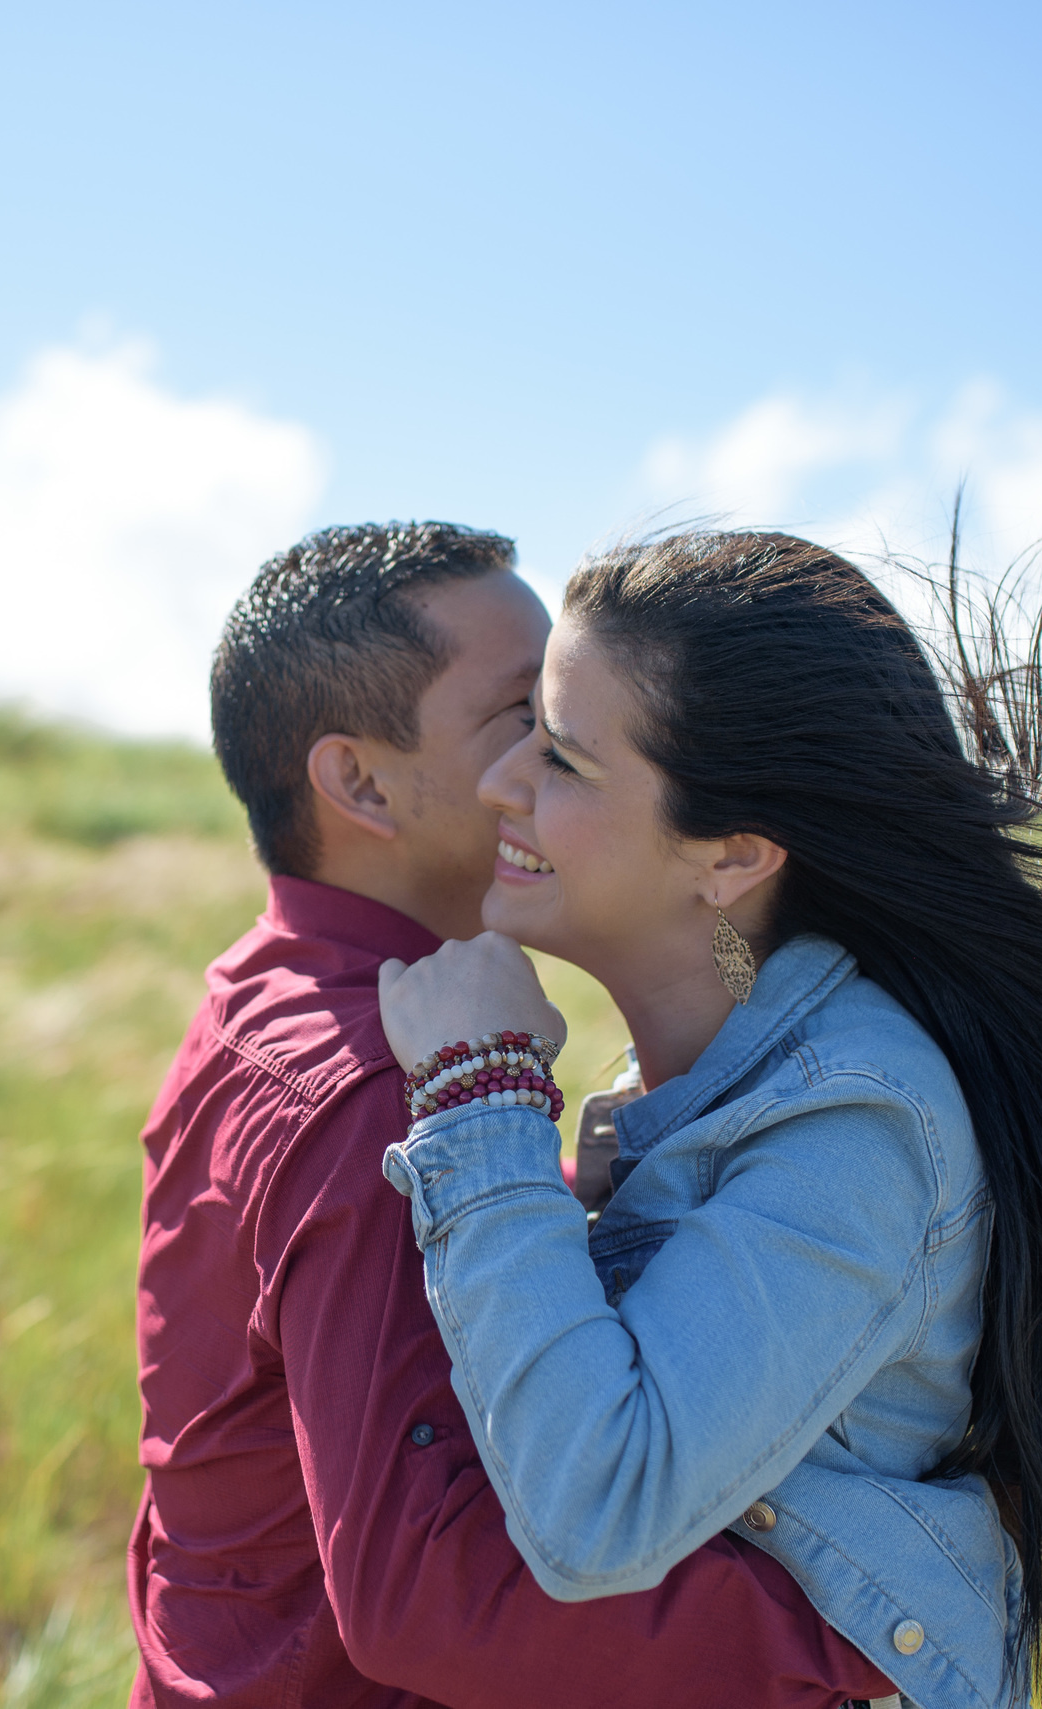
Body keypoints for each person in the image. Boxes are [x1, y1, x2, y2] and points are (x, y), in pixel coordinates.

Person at [375, 530, 1042, 1708]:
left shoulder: (855, 1122)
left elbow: (596, 1506)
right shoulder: (717, 1073)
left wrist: (479, 1092)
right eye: (523, 730)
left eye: (560, 756)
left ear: (733, 855)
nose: (501, 781)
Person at [131, 522, 901, 1708]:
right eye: (518, 714)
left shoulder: (256, 995)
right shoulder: (386, 1089)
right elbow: (437, 1586)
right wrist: (858, 1642)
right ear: (359, 783)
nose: (539, 759)